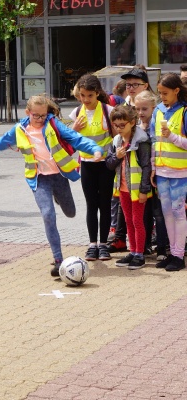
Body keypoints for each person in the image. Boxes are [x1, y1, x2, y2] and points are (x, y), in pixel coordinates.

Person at [0, 94, 102, 276]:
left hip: (59, 176)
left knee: (71, 212)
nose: (40, 119)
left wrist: (95, 149)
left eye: (43, 115)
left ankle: (58, 197)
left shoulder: (53, 124)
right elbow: (4, 142)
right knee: (48, 215)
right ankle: (58, 260)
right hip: (39, 179)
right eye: (36, 115)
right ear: (28, 112)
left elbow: (75, 138)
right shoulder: (20, 129)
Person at [108, 66, 156, 253]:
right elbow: (111, 160)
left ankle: (143, 249)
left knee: (143, 216)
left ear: (145, 85)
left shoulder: (153, 108)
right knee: (128, 217)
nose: (131, 88)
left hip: (146, 177)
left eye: (135, 84)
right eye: (128, 85)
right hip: (124, 182)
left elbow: (145, 162)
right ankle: (129, 245)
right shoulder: (125, 106)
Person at [70, 74, 114, 261]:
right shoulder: (76, 112)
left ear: (97, 93)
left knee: (105, 204)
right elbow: (69, 140)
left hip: (105, 165)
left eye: (90, 95)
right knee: (91, 205)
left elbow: (117, 135)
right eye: (82, 95)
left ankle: (103, 244)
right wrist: (74, 130)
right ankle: (92, 244)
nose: (86, 99)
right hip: (87, 164)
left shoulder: (108, 111)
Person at [105, 105, 152, 269]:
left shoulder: (141, 141)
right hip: (123, 188)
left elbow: (146, 166)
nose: (118, 129)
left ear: (132, 122)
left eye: (122, 125)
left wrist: (144, 190)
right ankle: (133, 251)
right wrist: (116, 157)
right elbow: (109, 164)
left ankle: (140, 254)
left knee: (137, 221)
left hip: (137, 189)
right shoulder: (116, 141)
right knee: (128, 221)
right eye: (115, 125)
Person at [151, 73, 187, 272]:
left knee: (178, 212)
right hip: (162, 171)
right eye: (160, 93)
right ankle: (173, 253)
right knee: (167, 213)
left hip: (180, 172)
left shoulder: (184, 112)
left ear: (176, 91)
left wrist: (172, 136)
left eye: (165, 93)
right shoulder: (157, 111)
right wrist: (153, 167)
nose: (162, 97)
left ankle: (179, 255)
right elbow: (154, 141)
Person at [135, 90, 169, 261]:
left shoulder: (157, 126)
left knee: (159, 212)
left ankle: (162, 247)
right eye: (137, 109)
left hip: (157, 175)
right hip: (141, 178)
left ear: (153, 108)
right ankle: (145, 244)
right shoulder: (136, 128)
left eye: (144, 109)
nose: (140, 113)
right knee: (145, 213)